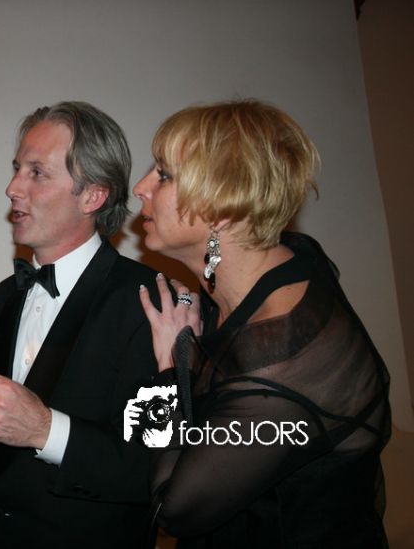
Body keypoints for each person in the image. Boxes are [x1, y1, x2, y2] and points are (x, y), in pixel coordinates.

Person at [133, 99, 390, 547]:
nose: (140, 188)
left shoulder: (278, 365)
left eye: (164, 175)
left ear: (222, 207)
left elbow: (171, 509)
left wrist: (169, 371)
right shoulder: (285, 259)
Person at [0, 101, 160, 548]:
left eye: (37, 173)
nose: (12, 188)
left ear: (92, 196)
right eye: (16, 170)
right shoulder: (4, 298)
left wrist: (45, 430)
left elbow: (151, 469)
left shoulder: (147, 302)